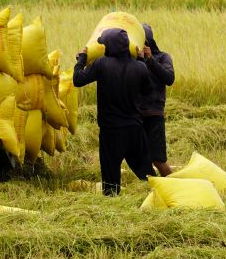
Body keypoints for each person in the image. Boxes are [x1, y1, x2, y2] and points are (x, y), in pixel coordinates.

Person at [73, 28, 152, 196]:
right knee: (147, 174)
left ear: (110, 46)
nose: (103, 47)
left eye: (104, 44)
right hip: (135, 129)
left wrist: (81, 59)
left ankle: (112, 205)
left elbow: (78, 80)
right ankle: (159, 196)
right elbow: (148, 92)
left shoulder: (102, 64)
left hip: (111, 131)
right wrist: (142, 62)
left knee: (110, 179)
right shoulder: (140, 68)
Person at [137, 23, 175, 177]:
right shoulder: (132, 59)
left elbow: (169, 78)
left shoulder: (163, 57)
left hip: (154, 114)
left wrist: (150, 59)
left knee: (158, 159)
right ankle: (154, 187)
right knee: (140, 158)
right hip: (136, 115)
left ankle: (174, 186)